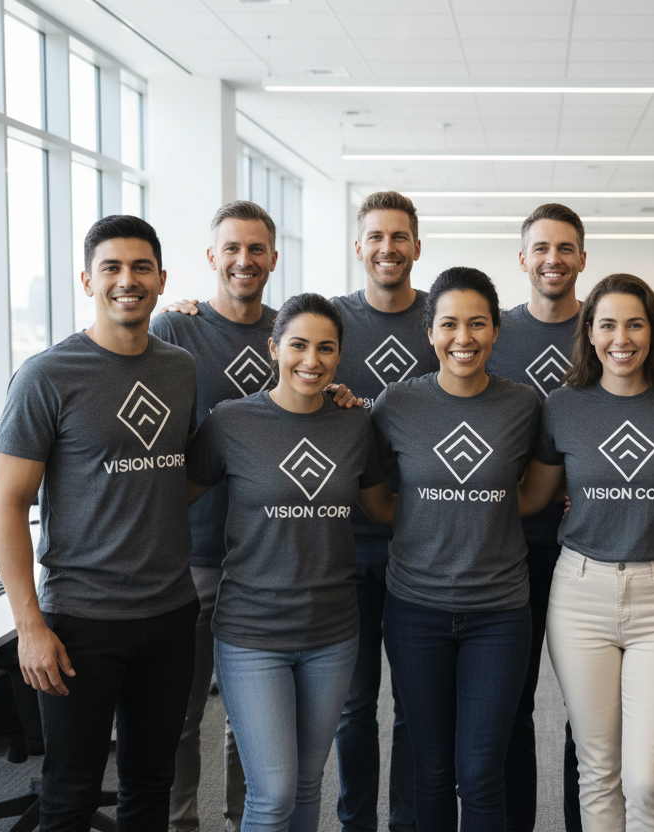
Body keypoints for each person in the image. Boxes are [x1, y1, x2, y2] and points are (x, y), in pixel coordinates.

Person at [0, 215, 199, 831]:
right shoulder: (47, 375)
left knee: (148, 786)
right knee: (70, 793)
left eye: (140, 268)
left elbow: (171, 475)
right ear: (88, 280)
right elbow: (7, 503)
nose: (126, 280)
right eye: (112, 267)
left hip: (169, 613)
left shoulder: (180, 370)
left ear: (162, 280)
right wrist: (29, 625)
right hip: (81, 621)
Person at [186, 293, 395, 832]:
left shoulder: (354, 424)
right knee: (273, 791)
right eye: (298, 345)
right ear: (274, 347)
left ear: (339, 357)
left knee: (307, 784)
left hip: (332, 631)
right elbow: (169, 499)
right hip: (251, 633)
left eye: (326, 348)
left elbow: (383, 508)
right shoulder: (231, 422)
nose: (312, 359)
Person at [519, 274, 654, 832]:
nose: (620, 338)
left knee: (649, 776)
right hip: (580, 592)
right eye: (607, 324)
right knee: (598, 769)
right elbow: (534, 496)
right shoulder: (563, 405)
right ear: (589, 333)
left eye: (634, 323)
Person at [371, 267, 541, 832]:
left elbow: (535, 494)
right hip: (415, 609)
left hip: (499, 613)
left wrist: (478, 512)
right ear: (430, 331)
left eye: (477, 324)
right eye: (449, 324)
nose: (462, 337)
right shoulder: (396, 404)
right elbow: (377, 498)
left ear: (497, 332)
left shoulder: (523, 406)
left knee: (482, 771)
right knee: (431, 767)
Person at [152, 199, 279, 832]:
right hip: (194, 552)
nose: (244, 260)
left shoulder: (292, 334)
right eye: (232, 248)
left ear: (273, 259)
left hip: (267, 556)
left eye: (256, 249)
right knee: (180, 711)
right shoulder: (176, 330)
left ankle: (242, 819)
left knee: (249, 715)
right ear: (211, 258)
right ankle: (181, 823)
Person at [332, 190, 438, 832]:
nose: (388, 248)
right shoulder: (332, 321)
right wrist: (187, 309)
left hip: (417, 538)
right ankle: (355, 824)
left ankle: (404, 823)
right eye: (376, 236)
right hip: (342, 541)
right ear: (359, 246)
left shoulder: (442, 319)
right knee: (352, 706)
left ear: (416, 248)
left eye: (400, 237)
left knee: (410, 708)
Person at [484, 202, 585, 832]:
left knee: (590, 708)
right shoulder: (495, 332)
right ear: (523, 259)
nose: (553, 259)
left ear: (582, 258)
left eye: (566, 248)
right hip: (509, 545)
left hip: (586, 548)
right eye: (541, 248)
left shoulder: (604, 330)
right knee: (510, 706)